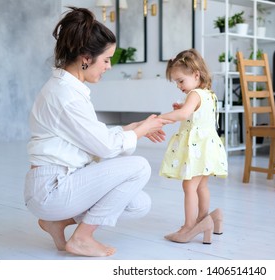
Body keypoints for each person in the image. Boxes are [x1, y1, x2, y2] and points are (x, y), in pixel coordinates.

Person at [24, 7, 170, 257]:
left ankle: (57, 222)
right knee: (140, 167)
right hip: (52, 188)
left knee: (138, 203)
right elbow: (104, 147)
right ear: (85, 58)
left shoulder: (67, 89)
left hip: (60, 183)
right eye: (106, 59)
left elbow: (90, 136)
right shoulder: (66, 95)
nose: (109, 66)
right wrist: (140, 130)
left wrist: (133, 128)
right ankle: (81, 238)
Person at [158, 49, 228, 244]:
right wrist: (183, 109)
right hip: (208, 147)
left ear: (196, 74)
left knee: (189, 185)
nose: (179, 86)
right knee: (201, 185)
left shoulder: (194, 94)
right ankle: (204, 219)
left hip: (198, 148)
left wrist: (161, 118)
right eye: (176, 82)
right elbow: (197, 115)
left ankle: (189, 227)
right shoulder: (209, 94)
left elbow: (184, 115)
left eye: (181, 80)